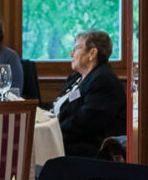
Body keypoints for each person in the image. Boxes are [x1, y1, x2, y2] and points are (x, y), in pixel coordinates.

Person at [53, 30, 126, 158]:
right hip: (68, 139)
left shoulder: (103, 80)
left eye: (76, 49)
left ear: (92, 53)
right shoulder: (77, 78)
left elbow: (85, 122)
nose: (71, 54)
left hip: (88, 150)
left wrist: (53, 132)